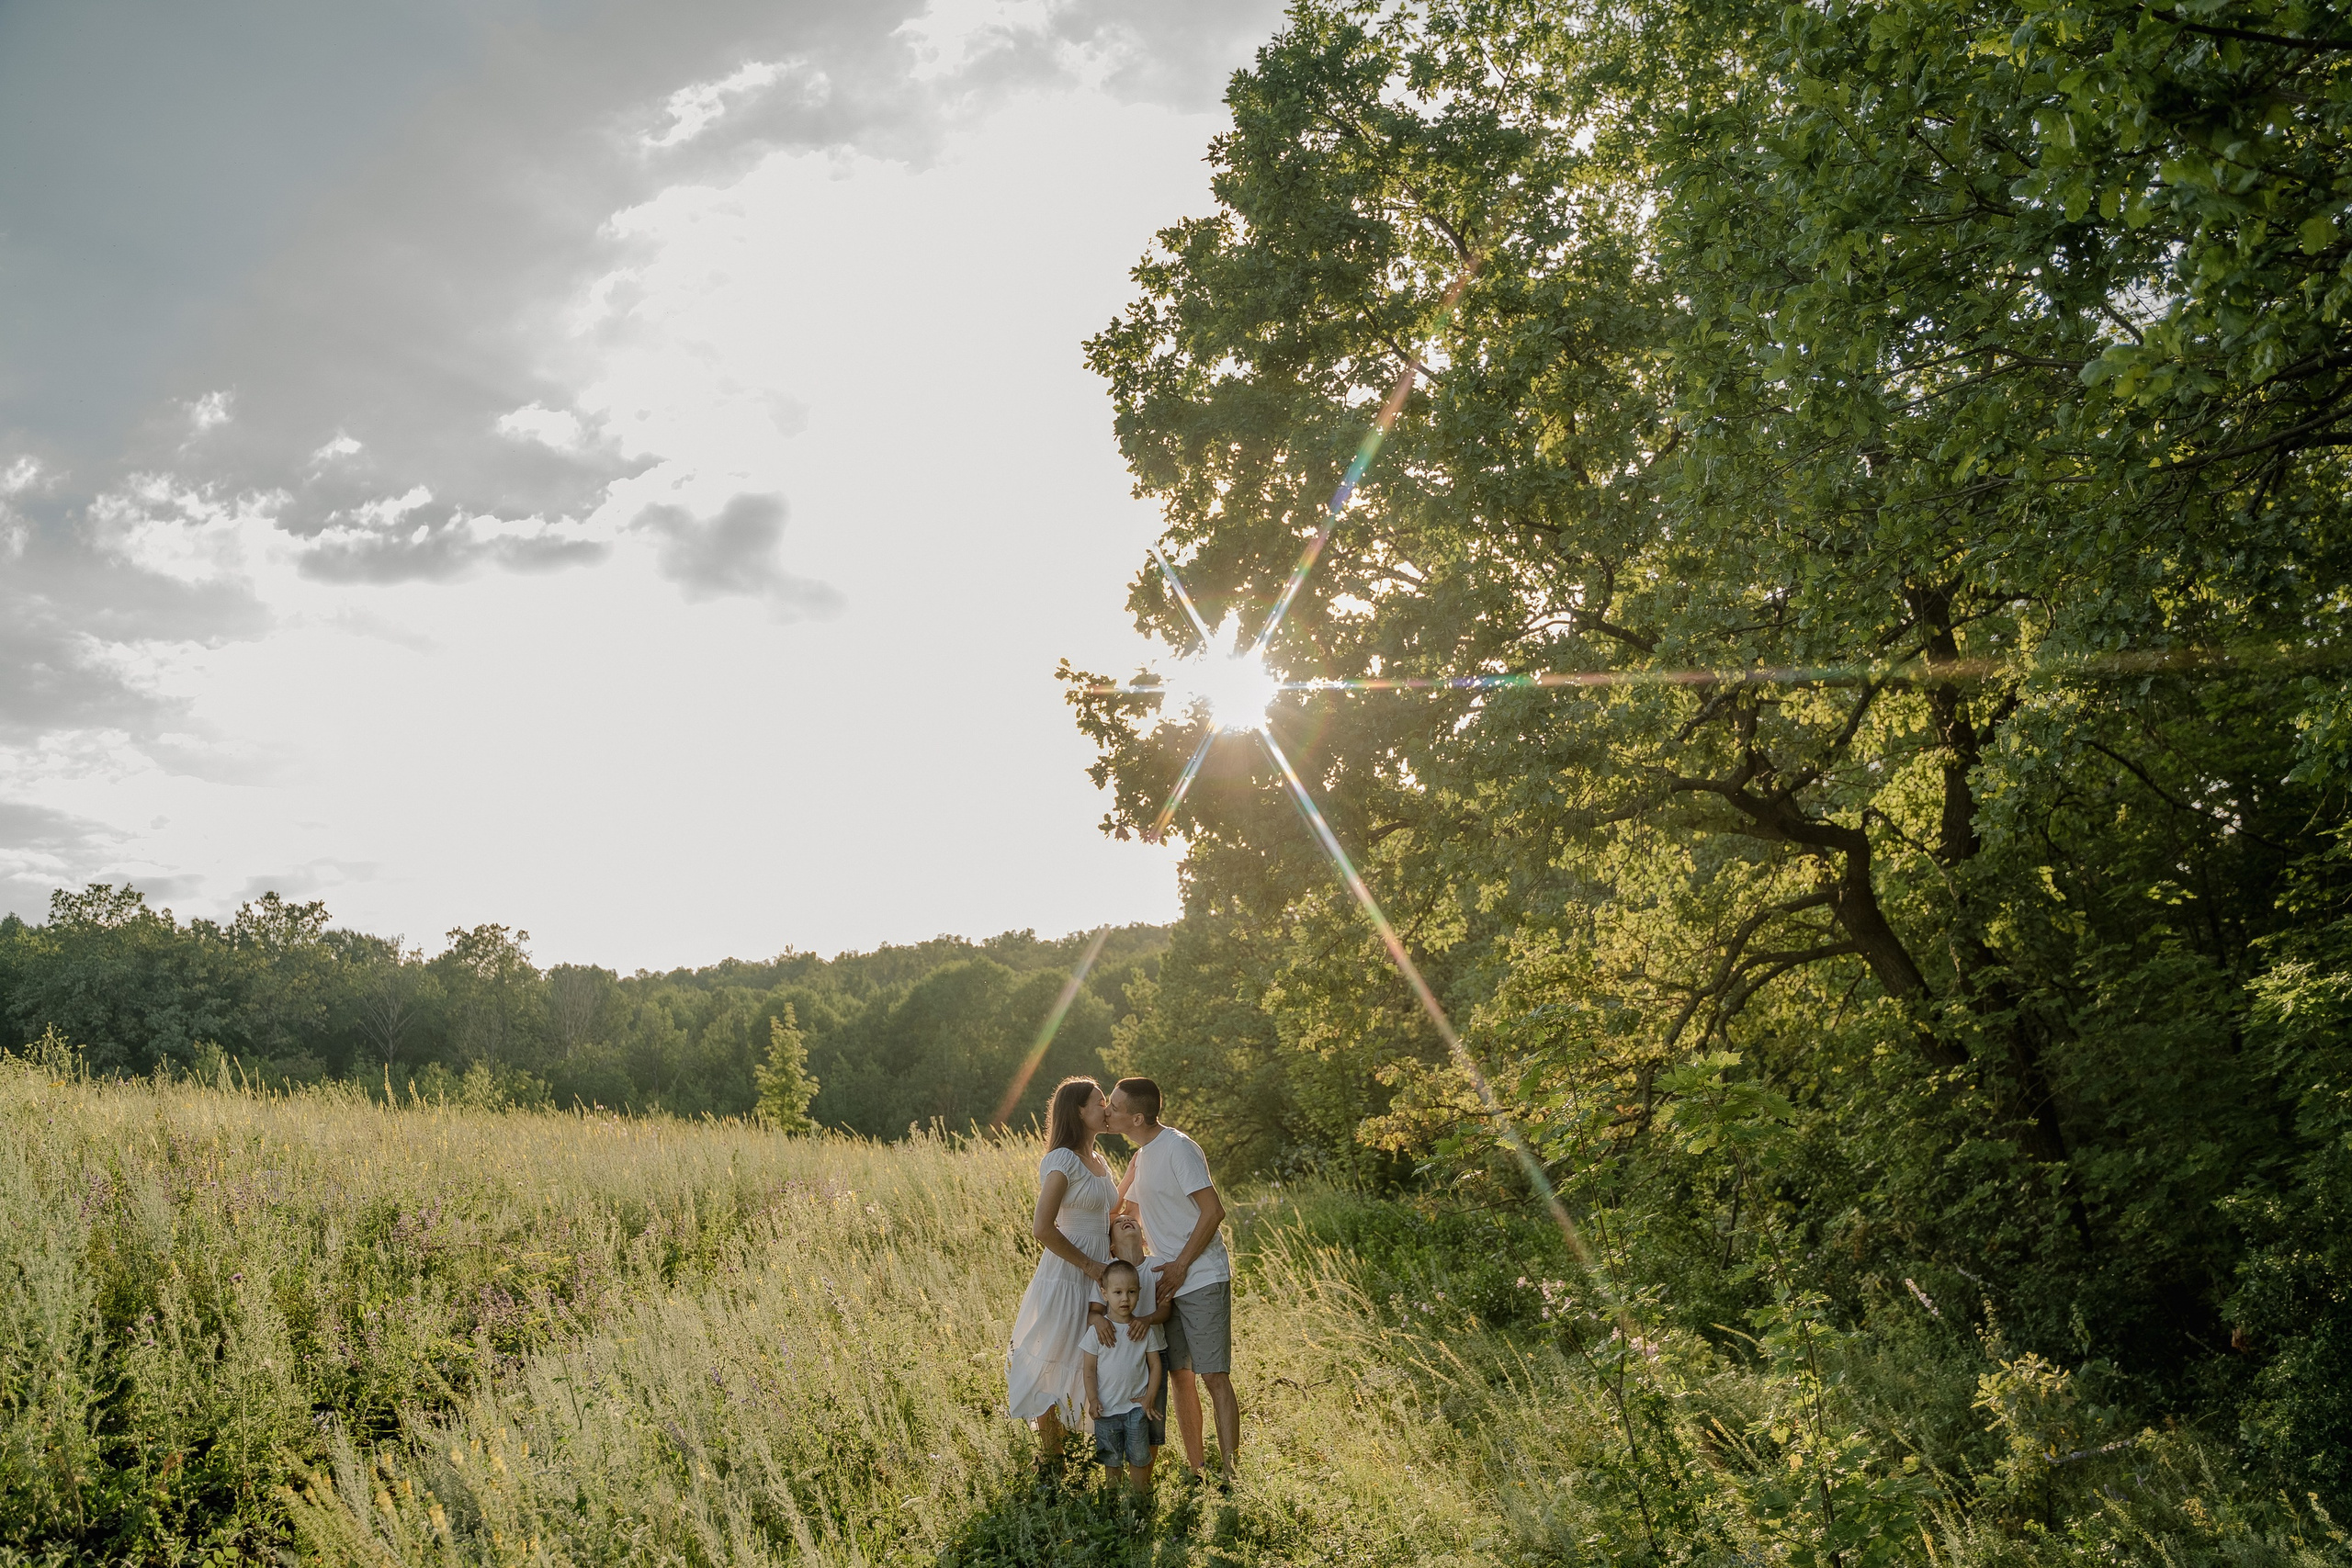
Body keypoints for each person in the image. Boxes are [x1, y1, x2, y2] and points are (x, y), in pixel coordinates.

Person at [1109, 1075, 1239, 1483]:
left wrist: (1181, 1264)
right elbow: (1123, 1212)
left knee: (1213, 1376)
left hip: (1200, 1276)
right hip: (1165, 1284)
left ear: (1138, 1117)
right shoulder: (1143, 1156)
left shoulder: (1178, 1148)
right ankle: (1198, 1470)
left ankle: (1232, 1477)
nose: (1107, 1112)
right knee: (1181, 1376)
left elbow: (1213, 1211)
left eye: (1114, 1107)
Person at [1005, 1076, 1117, 1473]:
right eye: (1100, 1101)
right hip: (1069, 1273)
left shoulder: (1100, 1161)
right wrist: (1089, 1265)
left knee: (1088, 1357)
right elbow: (1042, 1228)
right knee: (1052, 1356)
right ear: (1079, 1111)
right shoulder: (1063, 1161)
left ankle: (1079, 1453)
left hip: (1101, 1275)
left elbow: (1105, 1216)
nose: (1107, 1107)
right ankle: (1052, 1462)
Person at [1080, 1258, 1164, 1501]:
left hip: (1136, 1410)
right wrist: (1093, 1399)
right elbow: (1089, 1369)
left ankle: (1140, 1502)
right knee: (1111, 1461)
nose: (1125, 1299)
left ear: (1139, 1292)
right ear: (1104, 1294)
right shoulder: (1097, 1332)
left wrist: (1149, 1398)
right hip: (1106, 1410)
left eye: (1131, 1292)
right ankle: (1112, 1504)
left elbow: (1155, 1365)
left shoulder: (1143, 1330)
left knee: (1139, 1458)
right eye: (1117, 1293)